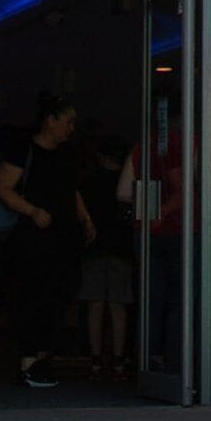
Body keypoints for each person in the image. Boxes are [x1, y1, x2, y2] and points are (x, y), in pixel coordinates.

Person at [0, 95, 96, 387]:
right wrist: (32, 211)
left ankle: (43, 356)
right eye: (67, 121)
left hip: (62, 234)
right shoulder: (24, 149)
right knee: (33, 295)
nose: (71, 128)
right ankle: (30, 359)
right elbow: (3, 187)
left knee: (59, 294)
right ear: (50, 120)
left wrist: (85, 218)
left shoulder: (66, 154)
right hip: (34, 237)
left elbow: (72, 190)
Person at [77, 135, 138, 379]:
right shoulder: (128, 184)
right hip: (120, 249)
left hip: (93, 248)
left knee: (95, 304)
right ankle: (119, 360)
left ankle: (94, 360)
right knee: (118, 305)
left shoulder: (89, 182)